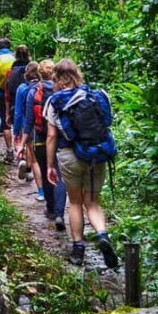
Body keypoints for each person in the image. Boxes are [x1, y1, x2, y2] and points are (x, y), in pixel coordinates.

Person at [44, 59, 118, 268]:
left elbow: (51, 136)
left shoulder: (55, 101)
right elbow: (107, 123)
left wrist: (50, 165)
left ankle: (78, 248)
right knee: (92, 202)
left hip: (69, 156)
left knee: (75, 202)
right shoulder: (96, 95)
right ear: (77, 74)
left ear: (56, 78)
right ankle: (103, 235)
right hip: (96, 154)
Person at [21, 59, 66, 229]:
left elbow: (29, 119)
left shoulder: (34, 91)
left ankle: (50, 209)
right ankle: (60, 214)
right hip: (60, 139)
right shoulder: (61, 91)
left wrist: (23, 141)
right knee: (60, 176)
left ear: (40, 73)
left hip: (40, 139)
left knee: (48, 173)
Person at [6, 45, 31, 162]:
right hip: (30, 104)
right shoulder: (32, 68)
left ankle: (21, 157)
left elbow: (7, 90)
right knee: (30, 138)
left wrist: (7, 112)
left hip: (15, 103)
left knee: (19, 134)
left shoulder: (12, 70)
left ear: (15, 54)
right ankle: (27, 160)